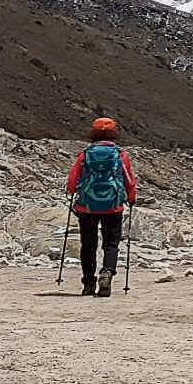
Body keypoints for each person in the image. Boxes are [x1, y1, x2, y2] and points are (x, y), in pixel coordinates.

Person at [65, 116, 137, 298]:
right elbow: (129, 179)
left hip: (87, 206)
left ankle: (88, 282)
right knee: (111, 243)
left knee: (88, 244)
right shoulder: (120, 155)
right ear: (114, 133)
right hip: (113, 206)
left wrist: (72, 192)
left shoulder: (85, 154)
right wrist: (131, 198)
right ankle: (107, 272)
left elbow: (73, 180)